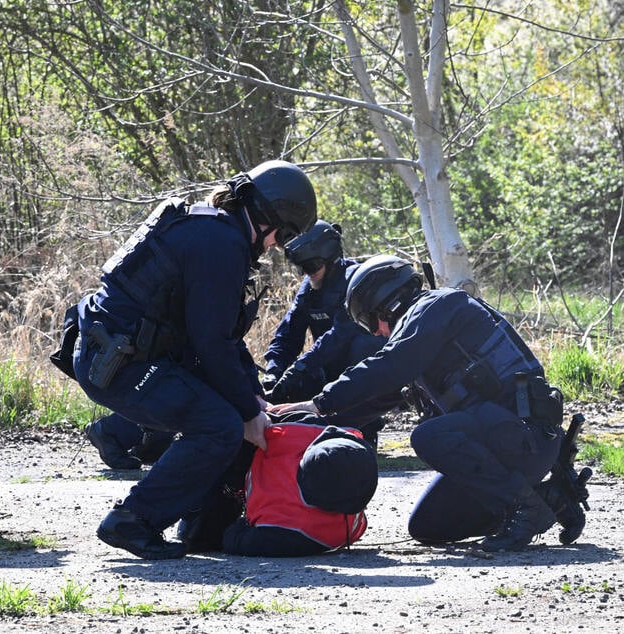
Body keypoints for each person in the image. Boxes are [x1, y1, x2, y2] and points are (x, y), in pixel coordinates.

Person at [72, 159, 317, 559]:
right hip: (119, 364)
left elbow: (223, 337)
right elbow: (211, 343)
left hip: (120, 355)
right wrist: (245, 412)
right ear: (269, 219)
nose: (275, 245)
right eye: (282, 235)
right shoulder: (222, 245)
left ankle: (196, 520)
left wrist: (254, 400)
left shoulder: (214, 230)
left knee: (224, 414)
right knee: (219, 425)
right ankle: (133, 519)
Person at [270, 255, 568, 551]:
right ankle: (550, 499)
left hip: (522, 438)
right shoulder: (428, 330)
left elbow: (388, 366)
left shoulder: (439, 306)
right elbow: (380, 396)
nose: (376, 332)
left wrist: (320, 402)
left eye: (370, 320)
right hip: (508, 442)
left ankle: (523, 509)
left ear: (386, 302)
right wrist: (312, 423)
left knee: (430, 436)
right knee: (428, 526)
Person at [264, 221, 392, 444]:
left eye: (311, 267)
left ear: (330, 259)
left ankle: (364, 423)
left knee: (361, 347)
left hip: (361, 373)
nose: (307, 273)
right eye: (301, 268)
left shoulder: (355, 280)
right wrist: (274, 373)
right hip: (328, 370)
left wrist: (299, 369)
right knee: (290, 385)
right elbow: (288, 334)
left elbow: (338, 336)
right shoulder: (309, 288)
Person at [178, 417, 378, 557]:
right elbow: (236, 539)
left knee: (197, 539)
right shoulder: (331, 532)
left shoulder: (307, 431)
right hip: (240, 456)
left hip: (231, 466)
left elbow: (234, 539)